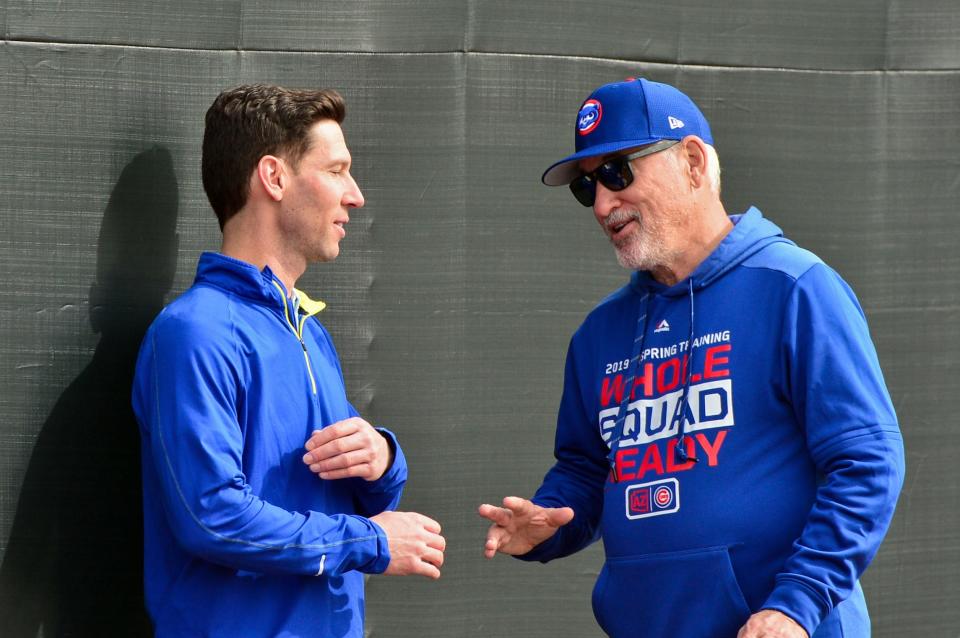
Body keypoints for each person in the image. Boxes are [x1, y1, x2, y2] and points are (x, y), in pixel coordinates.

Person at [478, 77, 904, 638]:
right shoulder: (599, 334)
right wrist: (550, 522)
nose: (604, 202)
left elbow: (867, 462)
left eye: (617, 172)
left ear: (694, 162)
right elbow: (585, 468)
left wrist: (795, 605)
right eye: (588, 188)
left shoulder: (794, 287)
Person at [132, 84, 445, 638]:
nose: (355, 195)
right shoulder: (194, 333)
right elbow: (213, 518)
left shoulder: (309, 334)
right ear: (273, 178)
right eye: (336, 170)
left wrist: (381, 458)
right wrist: (370, 542)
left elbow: (346, 492)